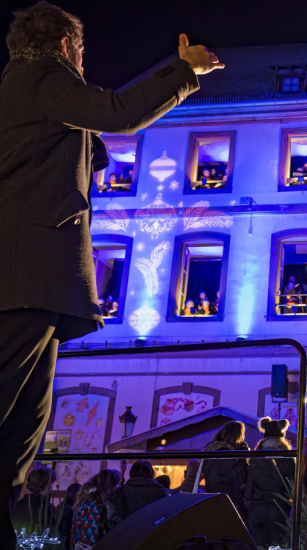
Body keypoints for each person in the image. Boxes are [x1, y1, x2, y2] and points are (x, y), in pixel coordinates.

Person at [0, 3, 222, 543]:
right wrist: (184, 71)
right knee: (11, 410)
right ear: (62, 47)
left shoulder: (33, 91)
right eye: (80, 52)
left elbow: (84, 141)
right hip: (25, 276)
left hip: (38, 281)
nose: (81, 63)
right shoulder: (39, 77)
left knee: (23, 424)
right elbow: (119, 111)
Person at [245, 417, 296, 548]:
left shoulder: (256, 458)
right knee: (277, 546)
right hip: (278, 510)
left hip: (257, 510)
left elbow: (249, 490)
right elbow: (292, 487)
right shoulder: (287, 458)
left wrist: (248, 502)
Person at [202, 421, 250, 522]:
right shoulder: (229, 456)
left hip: (213, 500)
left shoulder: (210, 453)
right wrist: (242, 457)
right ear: (237, 436)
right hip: (231, 503)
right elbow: (241, 478)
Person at [106, 460, 168, 531]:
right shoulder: (162, 492)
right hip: (152, 535)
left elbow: (113, 520)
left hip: (126, 536)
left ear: (131, 473)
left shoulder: (121, 492)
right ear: (151, 474)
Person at [71, 469, 121, 549]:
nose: (118, 487)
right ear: (109, 485)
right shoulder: (94, 504)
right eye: (116, 484)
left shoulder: (87, 501)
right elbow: (90, 538)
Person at [11, 467, 57, 536]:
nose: (52, 486)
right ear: (45, 484)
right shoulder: (47, 507)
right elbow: (50, 535)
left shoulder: (17, 504)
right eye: (51, 483)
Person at [57, 482, 81, 549]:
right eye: (80, 495)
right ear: (76, 494)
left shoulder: (61, 506)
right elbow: (65, 534)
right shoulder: (69, 510)